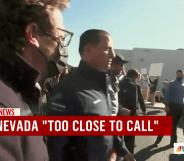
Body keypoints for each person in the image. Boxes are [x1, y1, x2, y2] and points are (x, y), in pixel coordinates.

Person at [0, 0, 72, 160]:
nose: (63, 48)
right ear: (32, 34)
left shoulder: (23, 92)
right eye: (60, 39)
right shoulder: (5, 108)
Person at [48, 29, 135, 161]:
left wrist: (122, 149)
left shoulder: (102, 85)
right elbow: (56, 150)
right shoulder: (67, 89)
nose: (112, 55)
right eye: (107, 49)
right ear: (88, 49)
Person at [153, 70, 184, 147]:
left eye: (181, 74)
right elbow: (167, 95)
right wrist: (166, 105)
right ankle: (158, 140)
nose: (180, 76)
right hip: (173, 106)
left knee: (175, 125)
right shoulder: (172, 84)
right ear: (176, 75)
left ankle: (173, 142)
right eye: (179, 74)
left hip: (181, 107)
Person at [118, 69, 140, 155]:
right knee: (130, 140)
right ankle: (129, 156)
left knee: (119, 138)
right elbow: (133, 103)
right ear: (134, 77)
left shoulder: (119, 83)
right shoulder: (132, 86)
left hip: (119, 114)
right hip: (129, 115)